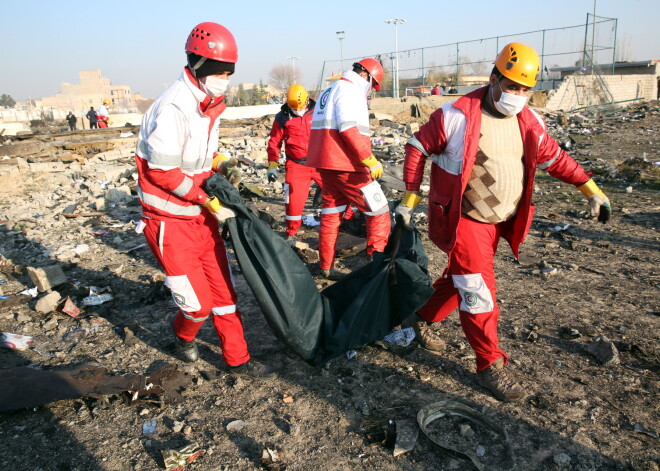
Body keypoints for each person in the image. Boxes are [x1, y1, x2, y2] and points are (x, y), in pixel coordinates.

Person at [395, 42, 612, 402]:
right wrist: (410, 197)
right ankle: (489, 364)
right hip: (465, 220)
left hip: (500, 222)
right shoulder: (456, 115)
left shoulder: (529, 121)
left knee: (461, 279)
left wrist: (591, 190)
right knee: (479, 291)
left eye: (526, 89)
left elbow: (555, 158)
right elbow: (417, 147)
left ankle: (419, 316)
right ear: (494, 79)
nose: (518, 95)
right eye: (512, 86)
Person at [134, 21, 275, 380]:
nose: (224, 77)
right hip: (169, 222)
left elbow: (200, 156)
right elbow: (162, 172)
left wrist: (223, 163)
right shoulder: (173, 108)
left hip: (200, 218)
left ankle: (238, 359)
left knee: (225, 294)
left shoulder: (207, 105)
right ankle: (182, 335)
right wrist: (204, 199)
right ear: (196, 65)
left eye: (228, 71)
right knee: (198, 306)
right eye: (218, 70)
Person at [307, 58, 390, 279]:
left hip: (326, 165)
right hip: (348, 165)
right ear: (366, 75)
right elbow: (348, 128)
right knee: (379, 210)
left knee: (331, 215)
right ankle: (377, 268)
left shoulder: (330, 90)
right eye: (373, 84)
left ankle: (326, 267)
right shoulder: (349, 89)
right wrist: (368, 159)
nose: (371, 90)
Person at [266, 84, 322, 243]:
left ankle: (347, 221)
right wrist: (272, 165)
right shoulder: (283, 117)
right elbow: (274, 142)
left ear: (307, 99)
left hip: (320, 162)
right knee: (293, 200)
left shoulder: (319, 110)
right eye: (294, 108)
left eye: (301, 106)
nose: (298, 110)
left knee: (339, 192)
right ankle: (291, 231)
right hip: (297, 165)